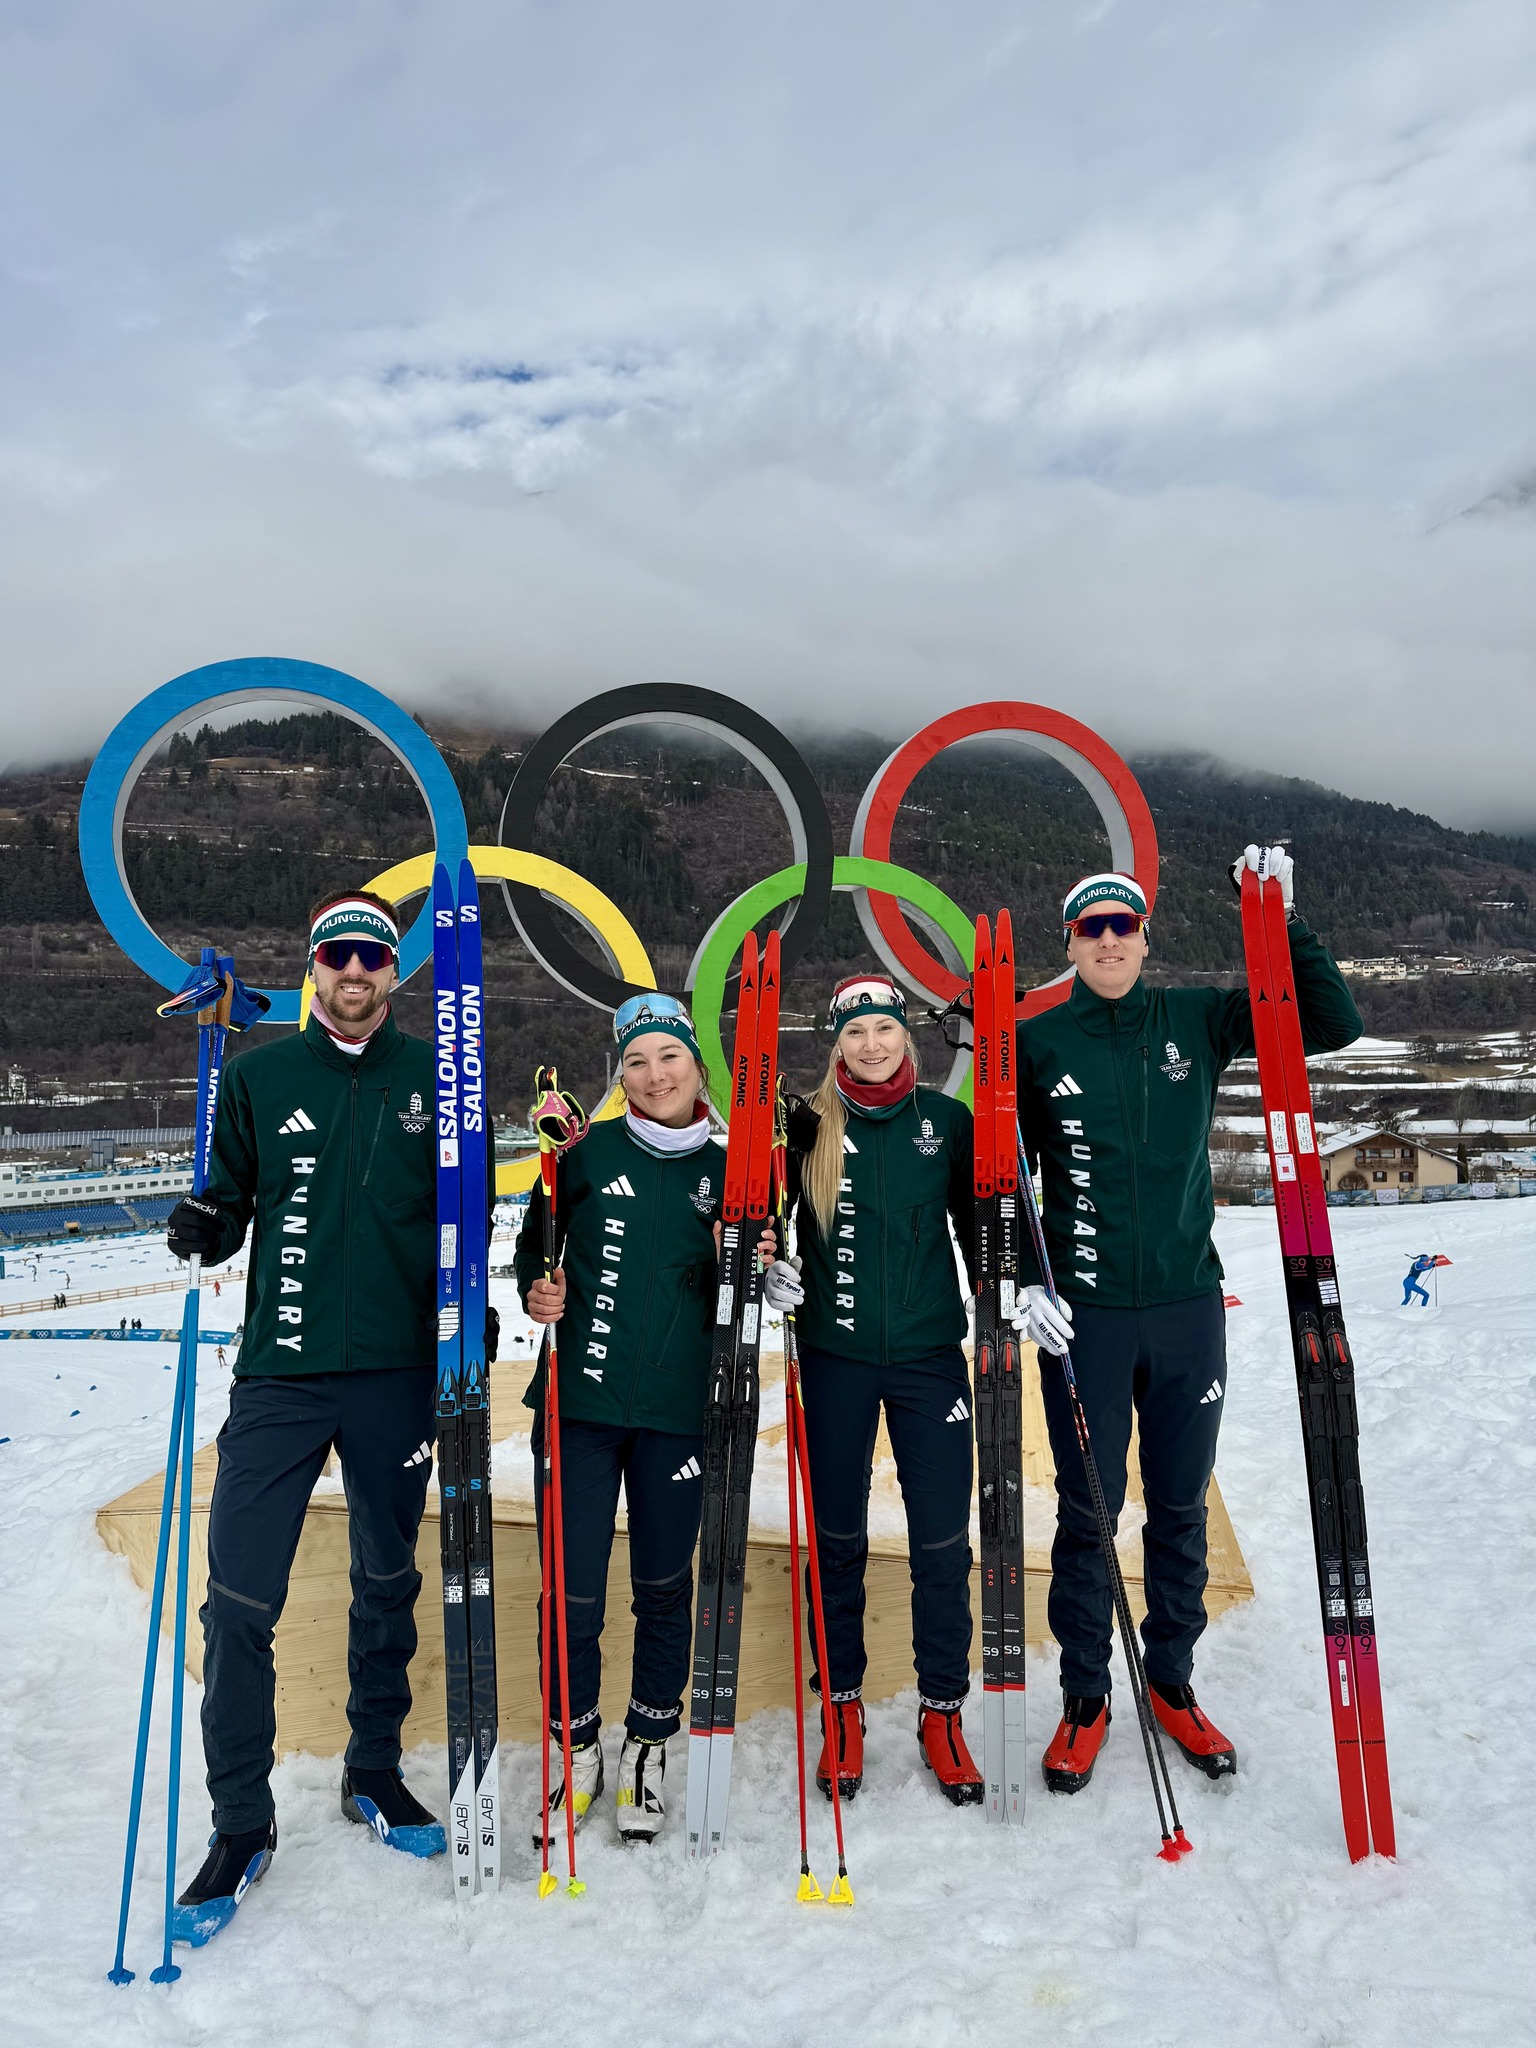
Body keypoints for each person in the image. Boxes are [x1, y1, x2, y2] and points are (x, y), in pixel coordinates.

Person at [162, 890, 494, 1944]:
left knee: (387, 1578)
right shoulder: (260, 1077)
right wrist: (203, 1220)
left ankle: (372, 1771)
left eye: (372, 956)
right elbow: (228, 1205)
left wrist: (470, 1301)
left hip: (398, 1371)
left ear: (396, 972)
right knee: (237, 1601)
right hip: (283, 1375)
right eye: (338, 955)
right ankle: (241, 1822)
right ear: (314, 968)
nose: (355, 971)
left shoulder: (440, 1081)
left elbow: (469, 1211)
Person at [1013, 848, 1362, 1795]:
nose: (1109, 941)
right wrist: (1026, 1279)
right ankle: (1086, 1698)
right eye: (1092, 928)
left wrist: (1284, 923)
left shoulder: (1196, 1017)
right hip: (1084, 1318)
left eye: (1123, 926)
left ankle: (1172, 1682)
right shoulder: (1038, 1040)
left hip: (1185, 1308)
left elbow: (1333, 1024)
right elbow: (1003, 1175)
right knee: (1087, 1510)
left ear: (1145, 938)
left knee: (1179, 1505)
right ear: (1070, 944)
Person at [516, 994, 772, 1847]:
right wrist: (538, 1290)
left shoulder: (735, 1168)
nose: (656, 1075)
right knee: (572, 1595)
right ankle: (576, 1747)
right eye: (637, 1062)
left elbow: (752, 1275)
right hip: (579, 1409)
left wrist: (762, 1265)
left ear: (697, 1065)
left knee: (664, 1590)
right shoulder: (582, 1154)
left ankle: (648, 1747)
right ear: (619, 1074)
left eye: (669, 1057)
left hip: (679, 1414)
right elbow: (535, 1251)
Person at [762, 973, 981, 1806]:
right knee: (837, 1540)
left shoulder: (945, 1124)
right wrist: (768, 1268)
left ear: (905, 1036)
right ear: (837, 1044)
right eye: (854, 1032)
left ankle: (943, 1711)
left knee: (941, 1543)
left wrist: (1016, 1283)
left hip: (930, 1361)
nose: (871, 1044)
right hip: (835, 1360)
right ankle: (842, 1707)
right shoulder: (807, 1125)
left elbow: (980, 1231)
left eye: (884, 1028)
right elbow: (762, 1225)